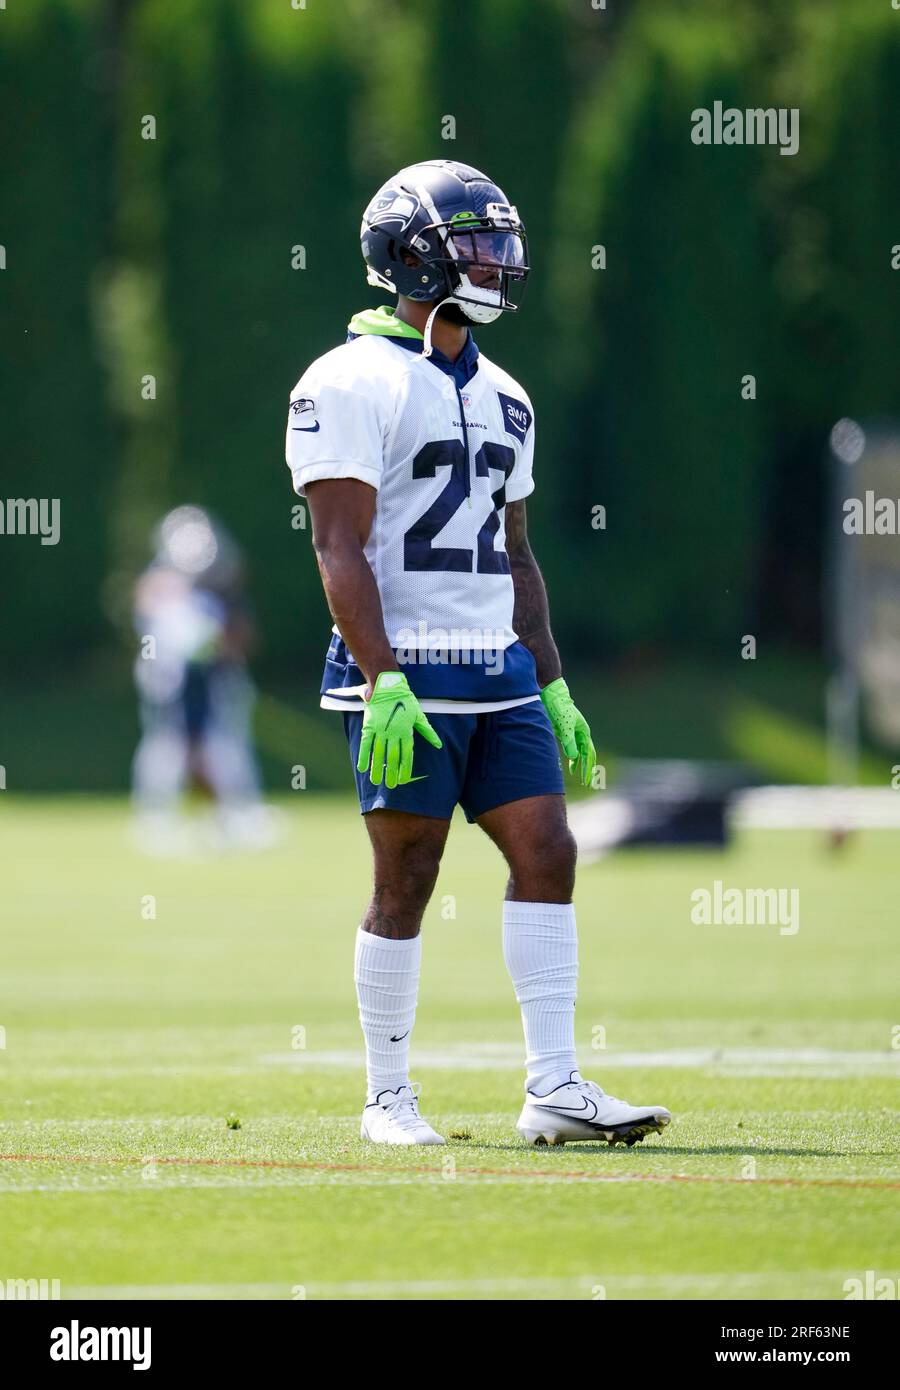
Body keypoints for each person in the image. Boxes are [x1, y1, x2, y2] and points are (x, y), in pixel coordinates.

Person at [285, 159, 670, 1147]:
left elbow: (518, 552)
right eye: (478, 242)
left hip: (496, 666)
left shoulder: (506, 393)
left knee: (548, 849)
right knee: (407, 873)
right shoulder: (346, 379)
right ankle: (388, 1096)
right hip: (404, 669)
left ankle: (554, 1085)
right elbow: (340, 545)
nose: (499, 260)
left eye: (501, 241)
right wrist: (385, 681)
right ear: (414, 255)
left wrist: (553, 683)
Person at [132, 505, 274, 852]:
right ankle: (157, 819)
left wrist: (217, 647)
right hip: (172, 680)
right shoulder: (160, 584)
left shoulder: (221, 584)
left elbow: (241, 636)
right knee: (170, 744)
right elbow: (152, 627)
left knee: (226, 743)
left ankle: (234, 814)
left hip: (216, 678)